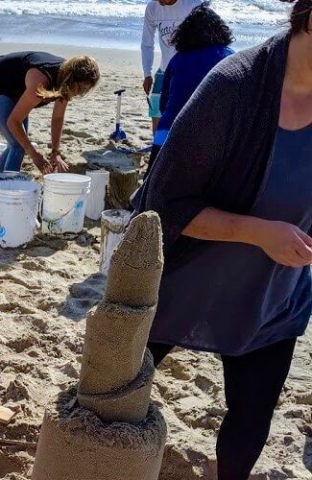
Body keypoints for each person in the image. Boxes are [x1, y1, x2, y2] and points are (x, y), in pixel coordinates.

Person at [133, 0, 312, 477]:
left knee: (252, 418)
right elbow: (162, 202)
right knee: (114, 392)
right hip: (182, 280)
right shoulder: (234, 88)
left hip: (272, 293)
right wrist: (258, 232)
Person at [0, 52, 100, 174]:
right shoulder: (41, 82)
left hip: (16, 88)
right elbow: (13, 122)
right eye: (80, 88)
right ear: (71, 78)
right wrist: (35, 155)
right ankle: (7, 189)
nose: (79, 93)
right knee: (18, 145)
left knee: (16, 144)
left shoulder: (65, 81)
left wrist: (55, 152)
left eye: (85, 91)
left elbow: (57, 118)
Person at [148, 2, 234, 172]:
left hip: (167, 135)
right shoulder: (231, 58)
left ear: (185, 34)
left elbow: (164, 105)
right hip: (213, 139)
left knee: (150, 187)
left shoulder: (177, 60)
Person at [141, 0, 201, 133]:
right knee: (155, 108)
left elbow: (204, 42)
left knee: (184, 112)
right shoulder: (152, 7)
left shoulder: (193, 4)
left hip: (187, 70)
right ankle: (158, 148)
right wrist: (147, 73)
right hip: (164, 69)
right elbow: (147, 42)